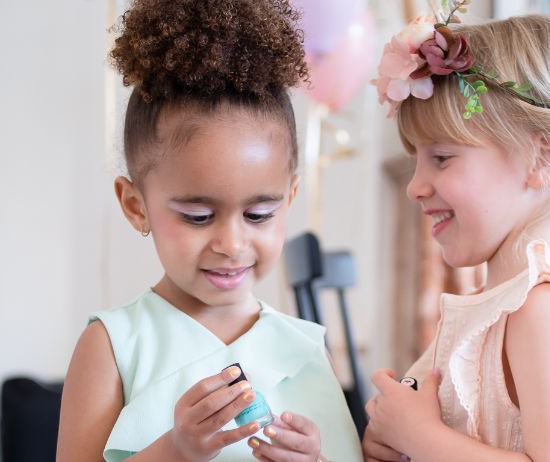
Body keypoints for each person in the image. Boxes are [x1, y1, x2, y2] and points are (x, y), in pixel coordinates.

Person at [56, 1, 361, 460]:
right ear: (135, 206)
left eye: (258, 215)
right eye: (198, 217)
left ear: (290, 198)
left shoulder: (303, 349)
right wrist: (173, 451)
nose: (232, 244)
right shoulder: (113, 347)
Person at [364, 9, 550, 462]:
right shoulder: (501, 303)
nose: (415, 185)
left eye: (441, 158)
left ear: (542, 159)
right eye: (416, 159)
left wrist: (418, 436)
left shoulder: (540, 307)